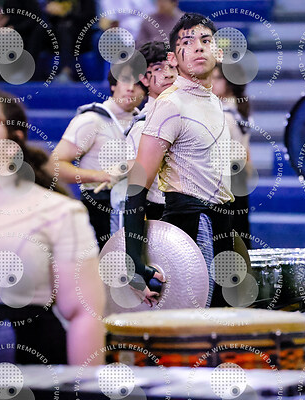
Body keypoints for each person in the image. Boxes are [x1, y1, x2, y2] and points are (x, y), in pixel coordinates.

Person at [0, 89, 105, 365]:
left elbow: (84, 314)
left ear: (13, 141)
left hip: (31, 368)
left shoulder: (60, 212)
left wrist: (84, 384)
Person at [123, 12, 235, 307]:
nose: (198, 47)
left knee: (222, 324)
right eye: (187, 42)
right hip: (191, 227)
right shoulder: (170, 104)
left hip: (221, 224)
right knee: (196, 328)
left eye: (205, 40)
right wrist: (134, 263)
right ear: (173, 58)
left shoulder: (214, 101)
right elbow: (137, 185)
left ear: (218, 52)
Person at [54, 63, 145, 249]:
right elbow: (54, 166)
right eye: (125, 80)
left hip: (137, 206)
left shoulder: (146, 122)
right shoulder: (91, 119)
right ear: (113, 85)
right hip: (99, 208)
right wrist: (99, 176)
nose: (130, 88)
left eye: (138, 84)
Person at [119, 41, 177, 224]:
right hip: (161, 217)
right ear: (144, 79)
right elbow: (136, 192)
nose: (168, 74)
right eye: (158, 69)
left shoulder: (189, 116)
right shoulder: (142, 127)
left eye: (172, 66)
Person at [211, 64, 252, 248]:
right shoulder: (237, 108)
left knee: (230, 229)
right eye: (211, 77)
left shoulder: (226, 111)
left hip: (227, 174)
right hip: (232, 174)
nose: (212, 82)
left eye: (218, 78)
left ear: (230, 81)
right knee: (237, 228)